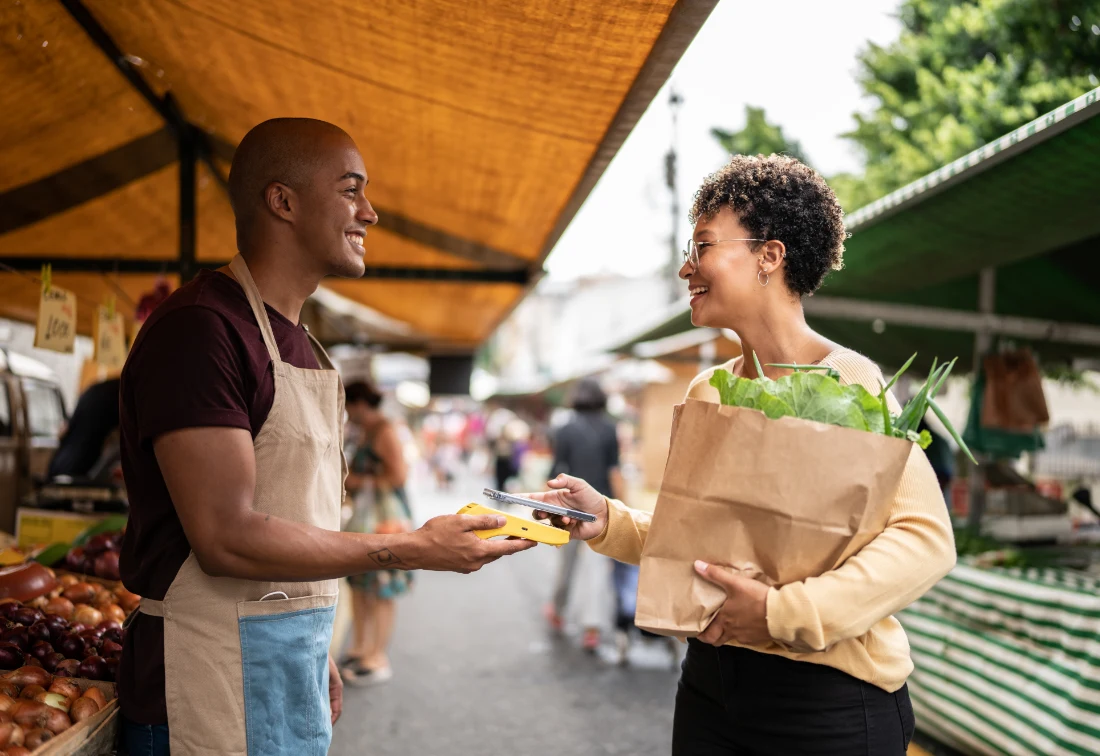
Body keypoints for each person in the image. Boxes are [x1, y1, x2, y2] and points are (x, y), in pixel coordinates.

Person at [117, 118, 535, 756]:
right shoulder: (202, 329)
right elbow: (226, 538)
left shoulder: (302, 343)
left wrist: (312, 641)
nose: (369, 212)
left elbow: (291, 516)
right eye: (350, 190)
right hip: (202, 684)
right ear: (282, 201)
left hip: (291, 659)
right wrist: (411, 548)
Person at [523, 154, 955, 755]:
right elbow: (700, 544)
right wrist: (609, 522)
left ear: (769, 257)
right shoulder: (707, 391)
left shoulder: (852, 381)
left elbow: (925, 541)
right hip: (710, 687)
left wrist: (786, 613)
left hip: (827, 699)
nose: (685, 267)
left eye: (702, 245)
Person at [340, 380, 413, 686]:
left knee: (382, 587)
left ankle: (377, 655)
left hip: (385, 518)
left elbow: (399, 476)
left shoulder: (384, 431)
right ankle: (361, 648)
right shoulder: (368, 431)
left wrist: (359, 482)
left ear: (358, 404)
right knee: (360, 584)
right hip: (367, 517)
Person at [545, 379, 622, 652]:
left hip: (569, 506)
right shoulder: (611, 428)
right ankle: (592, 628)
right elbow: (614, 472)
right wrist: (621, 506)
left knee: (565, 564)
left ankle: (557, 610)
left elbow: (555, 470)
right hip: (601, 507)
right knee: (596, 569)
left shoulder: (565, 429)